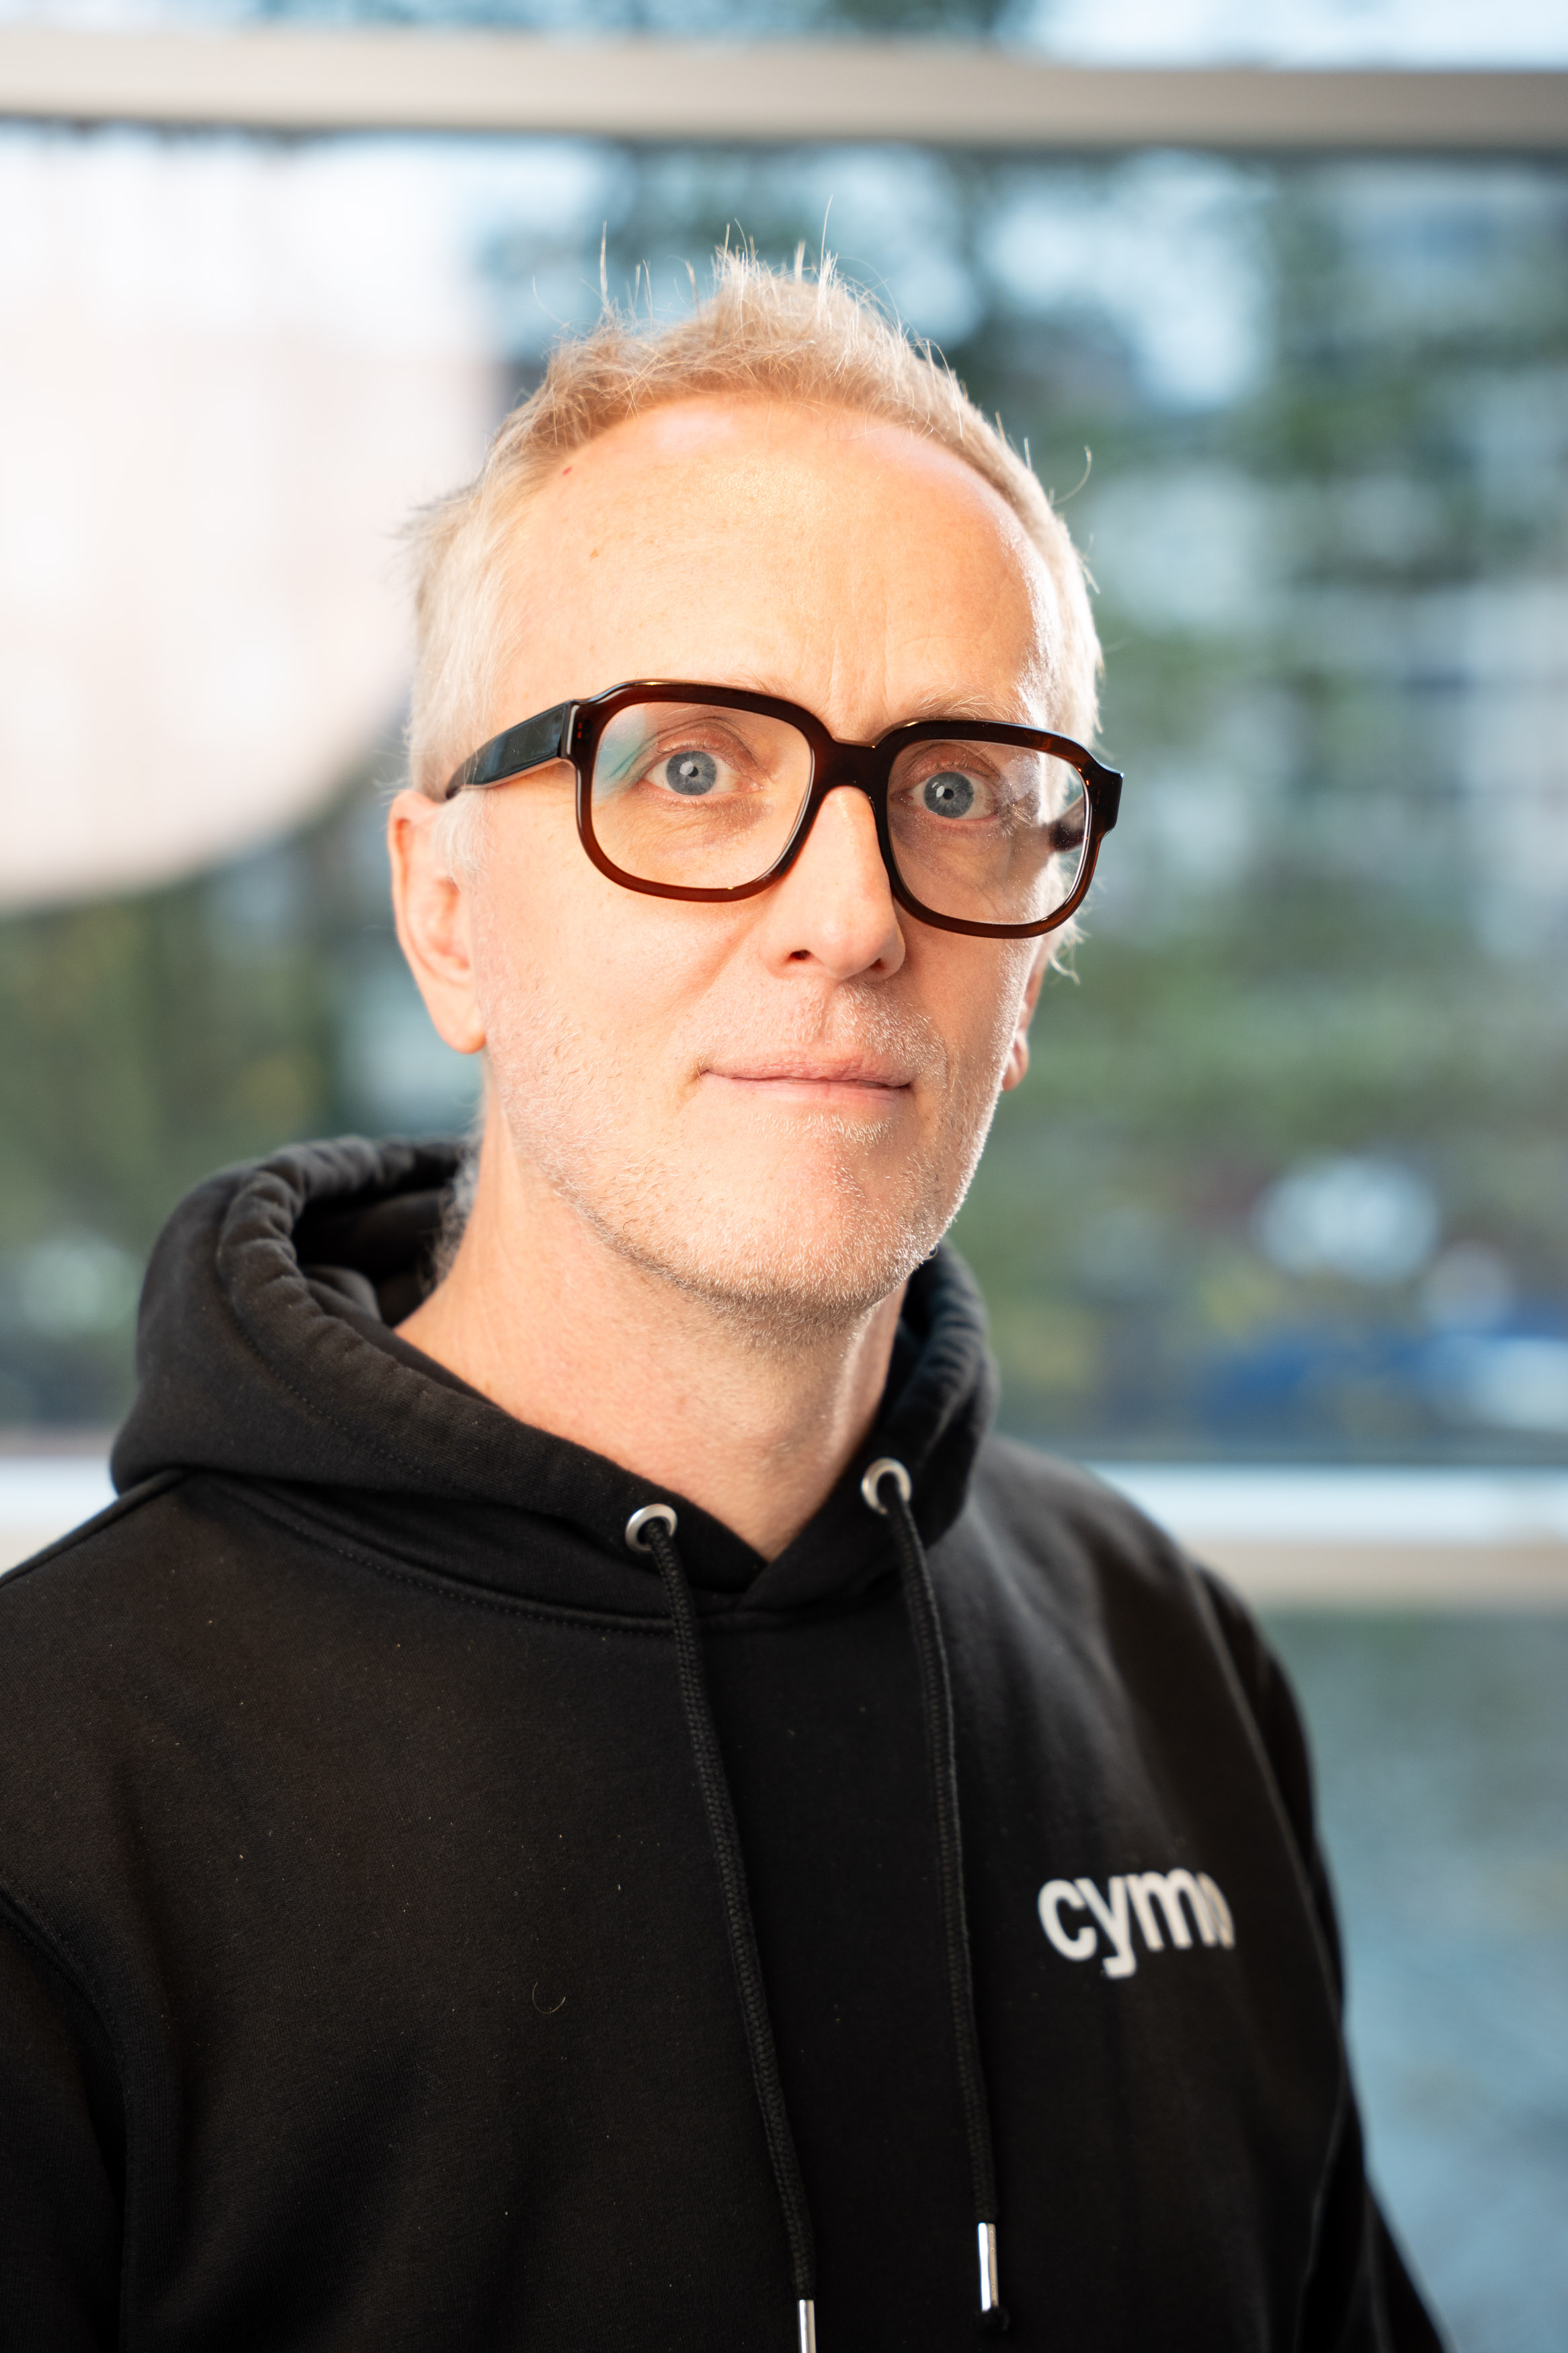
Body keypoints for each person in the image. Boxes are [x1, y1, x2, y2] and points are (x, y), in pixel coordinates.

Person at [0, 254, 1440, 2353]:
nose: (853, 914)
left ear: (1039, 955)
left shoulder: (1169, 1653)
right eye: (688, 771)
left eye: (958, 788)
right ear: (446, 910)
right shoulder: (57, 1786)